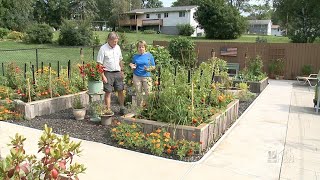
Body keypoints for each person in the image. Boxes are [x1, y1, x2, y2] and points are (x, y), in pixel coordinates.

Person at [97, 32, 125, 115]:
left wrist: (122, 71)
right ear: (109, 40)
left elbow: (120, 60)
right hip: (108, 73)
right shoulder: (103, 49)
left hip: (118, 72)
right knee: (108, 92)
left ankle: (122, 108)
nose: (115, 43)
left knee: (120, 90)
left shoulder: (118, 47)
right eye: (114, 41)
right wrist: (103, 76)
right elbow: (99, 64)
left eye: (116, 41)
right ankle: (108, 110)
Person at [129, 40, 155, 107]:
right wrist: (132, 66)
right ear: (137, 48)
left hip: (147, 76)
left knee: (148, 93)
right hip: (137, 76)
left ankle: (148, 108)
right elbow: (133, 64)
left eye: (142, 47)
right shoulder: (135, 56)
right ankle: (139, 109)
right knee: (138, 93)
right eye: (139, 47)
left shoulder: (149, 56)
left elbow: (153, 66)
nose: (141, 48)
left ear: (145, 47)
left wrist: (149, 69)